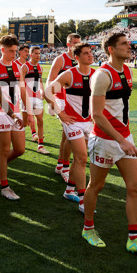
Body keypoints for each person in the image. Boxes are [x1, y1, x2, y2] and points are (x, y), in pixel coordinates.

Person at [81, 32, 137, 258]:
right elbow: (97, 115)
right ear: (111, 49)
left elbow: (120, 108)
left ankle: (134, 238)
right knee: (96, 185)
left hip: (124, 138)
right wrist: (120, 140)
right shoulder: (102, 76)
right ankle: (88, 229)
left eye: (129, 43)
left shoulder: (127, 71)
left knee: (135, 187)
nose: (129, 46)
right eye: (124, 44)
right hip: (105, 140)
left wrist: (125, 137)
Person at [44, 43, 94, 213]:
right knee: (81, 158)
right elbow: (47, 92)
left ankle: (69, 190)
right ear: (77, 58)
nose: (90, 55)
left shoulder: (96, 74)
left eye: (91, 52)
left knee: (78, 160)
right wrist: (60, 114)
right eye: (86, 53)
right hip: (72, 122)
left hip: (89, 122)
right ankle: (82, 200)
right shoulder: (69, 75)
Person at [0, 34, 27, 200]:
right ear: (2, 50)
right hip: (1, 112)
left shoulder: (18, 67)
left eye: (15, 51)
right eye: (11, 51)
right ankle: (5, 187)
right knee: (4, 150)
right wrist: (10, 112)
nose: (14, 54)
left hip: (17, 111)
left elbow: (22, 89)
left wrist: (27, 113)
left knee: (20, 149)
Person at [46, 33, 81, 181]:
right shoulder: (61, 59)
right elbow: (49, 81)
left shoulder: (81, 59)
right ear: (68, 44)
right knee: (70, 132)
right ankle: (65, 168)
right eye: (74, 43)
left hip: (76, 101)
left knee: (66, 135)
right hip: (61, 100)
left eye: (79, 43)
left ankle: (60, 165)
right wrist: (51, 103)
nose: (77, 45)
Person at [21, 46, 49, 154]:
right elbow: (21, 84)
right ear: (31, 54)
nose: (38, 55)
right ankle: (16, 138)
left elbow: (40, 82)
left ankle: (40, 146)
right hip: (27, 98)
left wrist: (42, 91)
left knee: (40, 121)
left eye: (39, 53)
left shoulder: (40, 68)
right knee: (24, 123)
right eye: (36, 53)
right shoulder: (25, 67)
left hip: (37, 98)